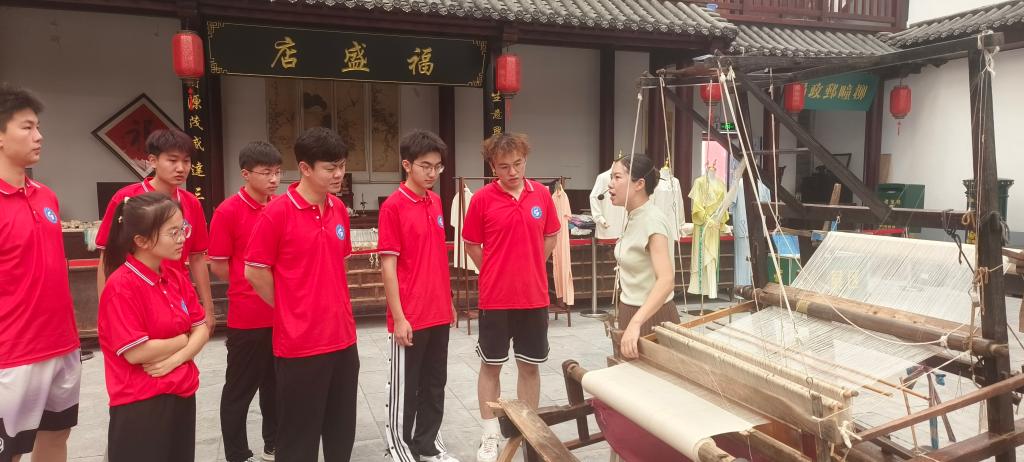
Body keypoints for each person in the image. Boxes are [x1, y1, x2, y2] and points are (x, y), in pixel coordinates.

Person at [245, 127, 358, 462]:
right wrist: (291, 307)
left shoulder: (338, 209)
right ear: (305, 168)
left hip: (343, 339)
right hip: (300, 345)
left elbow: (339, 264)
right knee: (298, 439)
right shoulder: (277, 212)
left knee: (341, 432)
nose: (338, 174)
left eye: (342, 165)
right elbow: (254, 272)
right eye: (330, 168)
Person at [462, 133, 559, 462]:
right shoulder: (481, 200)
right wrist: (493, 270)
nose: (513, 172)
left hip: (533, 297)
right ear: (493, 166)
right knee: (491, 366)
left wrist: (533, 265)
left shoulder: (542, 195)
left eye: (518, 164)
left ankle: (528, 431)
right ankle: (490, 433)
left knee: (529, 367)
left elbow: (551, 235)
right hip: (496, 299)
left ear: (525, 160)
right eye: (504, 166)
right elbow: (471, 244)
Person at [0, 83, 81, 462]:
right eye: (27, 127)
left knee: (56, 435)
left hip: (62, 343)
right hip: (12, 353)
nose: (39, 136)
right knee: (10, 450)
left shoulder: (46, 196)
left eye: (39, 127)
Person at [97, 192, 211, 462]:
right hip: (141, 403)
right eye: (173, 232)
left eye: (183, 228)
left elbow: (202, 328)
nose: (182, 238)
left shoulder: (174, 276)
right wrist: (183, 340)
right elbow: (136, 353)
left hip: (181, 391)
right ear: (141, 240)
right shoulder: (121, 287)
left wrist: (176, 359)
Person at [378, 130, 459, 462]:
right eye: (425, 166)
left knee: (435, 383)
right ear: (407, 165)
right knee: (405, 389)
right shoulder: (393, 207)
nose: (432, 173)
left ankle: (427, 445)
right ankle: (400, 449)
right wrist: (399, 317)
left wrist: (449, 301)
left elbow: (437, 256)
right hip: (410, 315)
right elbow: (388, 266)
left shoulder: (435, 202)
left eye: (437, 167)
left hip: (438, 310)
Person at [95, 128, 214, 331]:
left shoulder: (191, 202)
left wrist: (208, 309)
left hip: (178, 293)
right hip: (136, 293)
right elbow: (108, 257)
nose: (181, 168)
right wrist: (105, 311)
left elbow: (197, 258)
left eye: (186, 161)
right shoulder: (127, 198)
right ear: (153, 161)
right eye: (172, 160)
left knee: (185, 347)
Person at [209, 141, 282, 462]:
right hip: (248, 317)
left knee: (275, 386)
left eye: (277, 172)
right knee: (239, 389)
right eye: (266, 173)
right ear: (245, 174)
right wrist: (247, 284)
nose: (273, 179)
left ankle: (274, 444)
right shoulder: (228, 211)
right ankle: (237, 453)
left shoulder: (279, 207)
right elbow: (218, 265)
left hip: (279, 313)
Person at [606, 154, 679, 359]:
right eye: (611, 177)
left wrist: (636, 322)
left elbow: (666, 280)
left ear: (639, 184)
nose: (610, 184)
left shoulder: (652, 220)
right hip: (631, 311)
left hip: (653, 317)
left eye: (617, 177)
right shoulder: (634, 216)